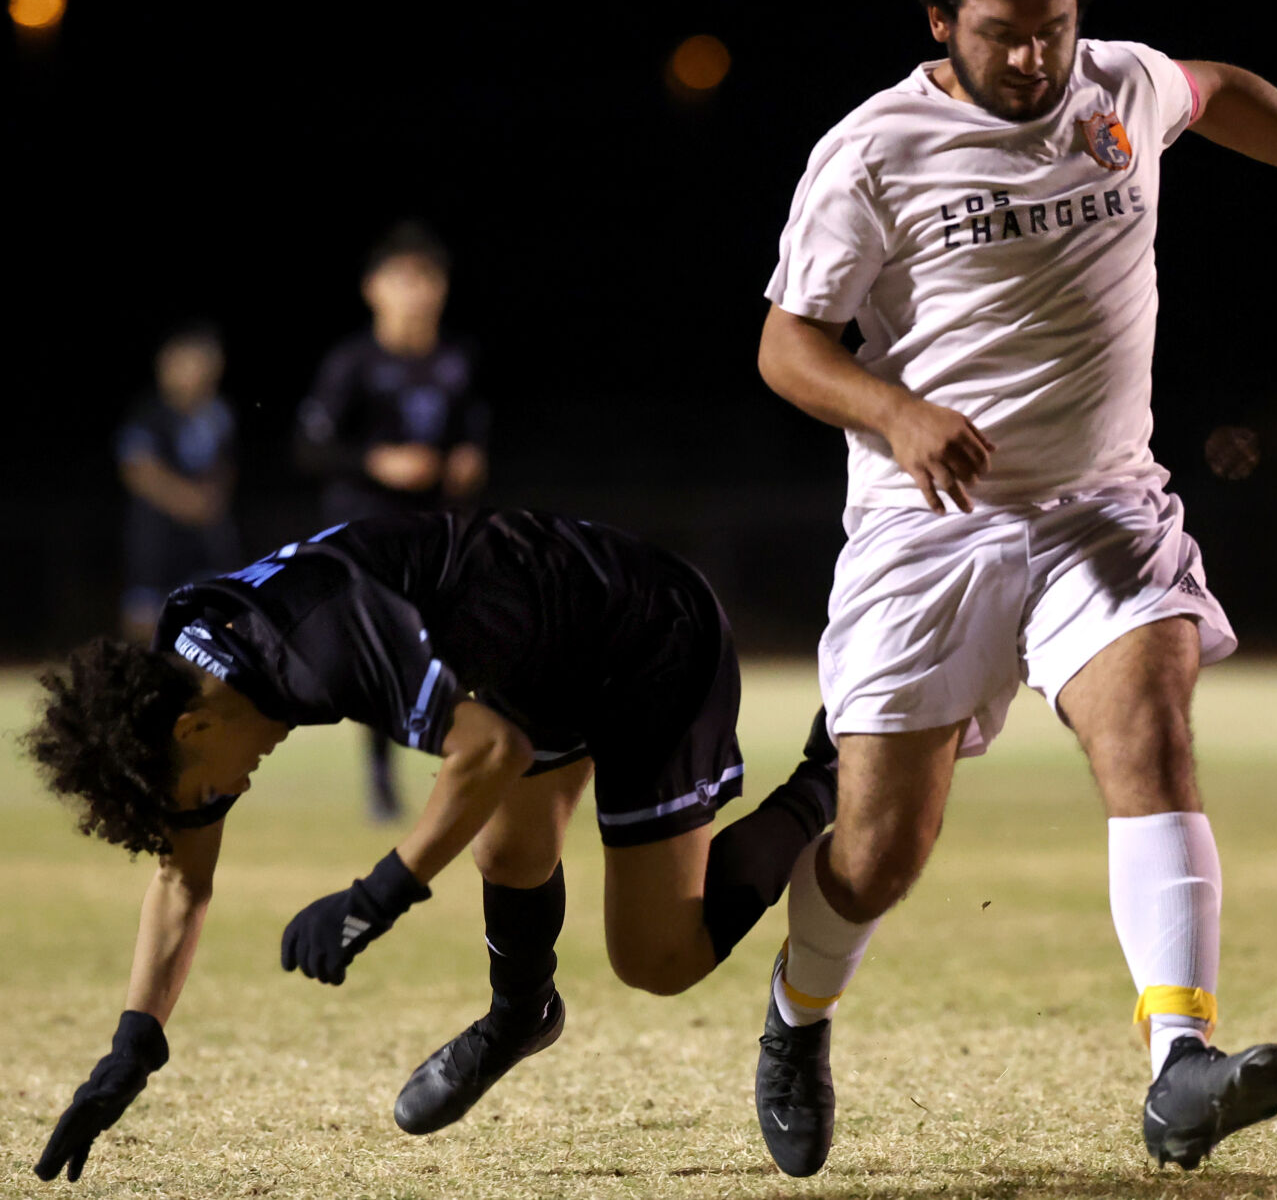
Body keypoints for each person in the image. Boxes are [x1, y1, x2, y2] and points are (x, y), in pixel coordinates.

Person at [752, 0, 1277, 1179]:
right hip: (930, 529)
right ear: (941, 22)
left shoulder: (1116, 86)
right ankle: (798, 1009)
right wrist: (896, 415)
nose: (1033, 57)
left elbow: (1220, 91)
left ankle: (1179, 1056)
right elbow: (788, 346)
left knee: (1150, 725)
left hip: (1101, 509)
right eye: (1002, 32)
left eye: (1053, 26)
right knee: (879, 850)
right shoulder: (872, 152)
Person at [23, 509, 837, 1183]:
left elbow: (490, 753)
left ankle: (829, 769)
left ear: (194, 728)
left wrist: (375, 898)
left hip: (642, 631)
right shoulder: (188, 669)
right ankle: (521, 1017)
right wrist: (135, 1042)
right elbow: (182, 880)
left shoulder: (317, 647)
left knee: (657, 961)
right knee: (506, 853)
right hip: (538, 657)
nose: (221, 801)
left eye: (205, 792)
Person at [295, 221, 490, 820]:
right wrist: (378, 461)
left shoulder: (458, 358)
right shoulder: (352, 362)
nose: (418, 291)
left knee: (457, 648)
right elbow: (310, 447)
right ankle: (381, 776)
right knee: (382, 657)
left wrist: (467, 457)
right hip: (367, 531)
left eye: (428, 278)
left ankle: (469, 766)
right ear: (373, 288)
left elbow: (471, 428)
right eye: (404, 278)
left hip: (437, 532)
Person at [116, 323, 239, 643]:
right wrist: (189, 502)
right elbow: (139, 471)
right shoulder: (149, 414)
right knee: (145, 615)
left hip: (206, 538)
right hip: (156, 537)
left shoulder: (218, 414)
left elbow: (225, 467)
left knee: (216, 610)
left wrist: (213, 498)